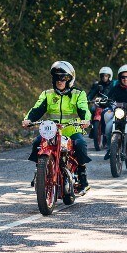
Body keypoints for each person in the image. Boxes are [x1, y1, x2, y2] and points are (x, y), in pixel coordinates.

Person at [22, 61, 92, 192]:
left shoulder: (78, 93)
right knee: (37, 142)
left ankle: (82, 176)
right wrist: (28, 119)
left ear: (70, 79)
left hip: (72, 130)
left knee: (81, 144)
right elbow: (37, 108)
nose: (59, 81)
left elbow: (84, 108)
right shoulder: (47, 94)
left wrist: (86, 120)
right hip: (51, 131)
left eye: (63, 78)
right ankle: (40, 172)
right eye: (56, 77)